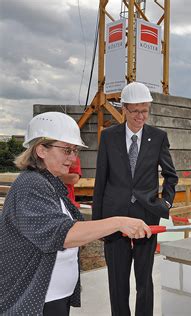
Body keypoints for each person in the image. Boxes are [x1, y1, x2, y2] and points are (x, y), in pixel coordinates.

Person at [0, 112, 151, 316]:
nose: (73, 158)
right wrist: (118, 222)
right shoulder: (30, 185)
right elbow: (63, 234)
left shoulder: (51, 184)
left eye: (75, 150)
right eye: (67, 150)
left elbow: (72, 230)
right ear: (41, 150)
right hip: (34, 302)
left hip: (51, 298)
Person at [92, 81, 178, 316]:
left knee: (144, 278)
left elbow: (171, 176)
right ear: (124, 110)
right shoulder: (108, 137)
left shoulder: (158, 137)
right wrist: (98, 222)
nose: (141, 116)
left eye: (145, 111)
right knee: (117, 280)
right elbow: (101, 181)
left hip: (146, 215)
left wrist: (165, 204)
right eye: (135, 111)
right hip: (114, 217)